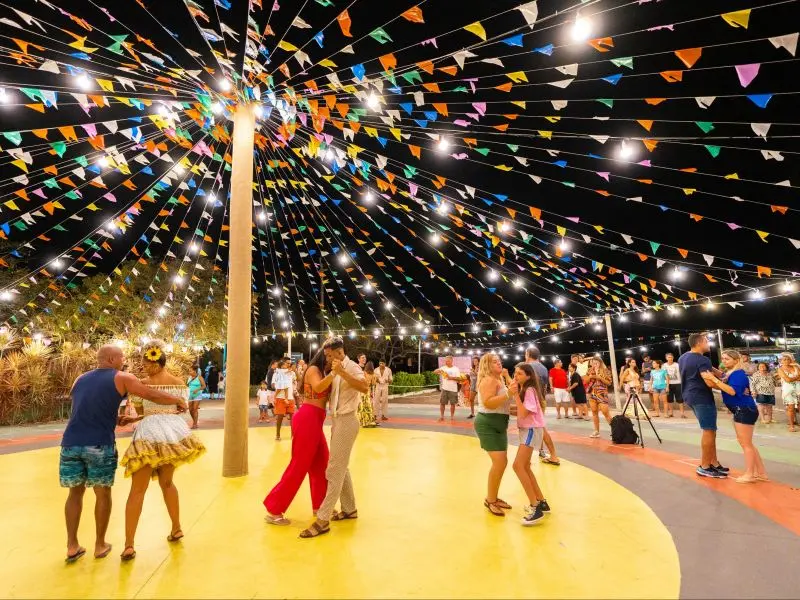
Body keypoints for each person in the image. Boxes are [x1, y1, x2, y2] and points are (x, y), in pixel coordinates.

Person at [59, 345, 185, 563]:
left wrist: (115, 419)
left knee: (75, 494)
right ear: (111, 359)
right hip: (99, 444)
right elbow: (151, 394)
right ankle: (100, 545)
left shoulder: (79, 378)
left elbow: (86, 405)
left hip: (71, 443)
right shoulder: (122, 377)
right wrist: (177, 400)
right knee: (103, 493)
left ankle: (73, 545)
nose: (124, 361)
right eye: (121, 358)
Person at [119, 341, 206, 560]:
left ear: (156, 362)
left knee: (138, 489)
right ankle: (176, 528)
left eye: (146, 364)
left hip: (149, 433)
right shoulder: (179, 384)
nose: (144, 368)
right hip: (171, 434)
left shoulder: (141, 384)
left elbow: (141, 410)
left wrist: (140, 415)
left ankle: (129, 544)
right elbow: (180, 409)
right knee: (168, 483)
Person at [300, 337, 368, 539]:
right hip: (337, 421)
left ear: (340, 352)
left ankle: (323, 519)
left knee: (333, 470)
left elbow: (364, 388)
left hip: (348, 420)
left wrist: (342, 372)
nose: (327, 358)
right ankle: (349, 509)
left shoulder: (352, 367)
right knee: (341, 466)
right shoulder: (334, 370)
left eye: (330, 355)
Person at [264, 349, 334, 525]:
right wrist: (336, 373)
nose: (337, 359)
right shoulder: (313, 370)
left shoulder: (324, 372)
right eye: (334, 355)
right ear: (325, 355)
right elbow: (318, 387)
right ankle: (273, 509)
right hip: (308, 418)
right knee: (299, 465)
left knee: (321, 464)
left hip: (316, 419)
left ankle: (320, 506)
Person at [679, 333, 728, 478]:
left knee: (711, 430)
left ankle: (714, 462)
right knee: (708, 430)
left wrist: (721, 374)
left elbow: (706, 368)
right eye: (706, 341)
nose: (709, 343)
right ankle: (705, 466)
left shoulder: (684, 357)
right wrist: (728, 387)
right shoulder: (703, 359)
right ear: (699, 343)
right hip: (701, 397)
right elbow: (709, 381)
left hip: (689, 395)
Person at [714, 350, 768, 483]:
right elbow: (721, 375)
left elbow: (733, 391)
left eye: (727, 359)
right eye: (723, 359)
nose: (724, 361)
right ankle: (761, 473)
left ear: (736, 360)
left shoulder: (738, 374)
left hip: (744, 409)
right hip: (741, 409)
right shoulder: (730, 373)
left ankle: (750, 474)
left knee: (746, 444)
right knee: (746, 443)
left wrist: (713, 380)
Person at [509, 362, 550, 525]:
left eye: (519, 374)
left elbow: (524, 412)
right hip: (529, 429)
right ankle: (541, 501)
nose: (516, 376)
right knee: (525, 466)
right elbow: (520, 410)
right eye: (515, 373)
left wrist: (515, 395)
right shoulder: (526, 389)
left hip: (531, 429)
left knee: (518, 466)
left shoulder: (530, 390)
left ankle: (535, 508)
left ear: (528, 376)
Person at [474, 353, 514, 517]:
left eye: (499, 361)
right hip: (488, 424)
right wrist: (508, 394)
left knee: (502, 462)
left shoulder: (499, 380)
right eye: (494, 361)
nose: (499, 363)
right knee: (499, 462)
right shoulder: (489, 380)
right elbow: (489, 403)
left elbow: (502, 405)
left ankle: (493, 497)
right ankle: (490, 500)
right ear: (487, 365)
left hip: (498, 423)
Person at [524, 348, 561, 466]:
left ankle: (526, 458)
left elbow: (522, 385)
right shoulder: (544, 368)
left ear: (528, 354)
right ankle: (543, 452)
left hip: (530, 401)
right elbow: (544, 387)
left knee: (529, 429)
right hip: (541, 400)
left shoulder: (526, 367)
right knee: (539, 427)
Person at [584, 357, 613, 438]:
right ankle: (596, 431)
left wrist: (600, 378)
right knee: (594, 412)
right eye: (593, 363)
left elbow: (609, 383)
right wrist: (589, 377)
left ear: (600, 362)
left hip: (602, 393)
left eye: (596, 362)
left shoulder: (605, 370)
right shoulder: (590, 370)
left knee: (605, 412)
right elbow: (585, 381)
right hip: (592, 393)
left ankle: (614, 431)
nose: (594, 364)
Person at [434, 355, 462, 422]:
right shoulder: (443, 368)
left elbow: (459, 378)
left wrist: (450, 377)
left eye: (448, 361)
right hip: (444, 388)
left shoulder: (456, 368)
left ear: (452, 361)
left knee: (453, 404)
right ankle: (442, 417)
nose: (446, 362)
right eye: (446, 361)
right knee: (442, 403)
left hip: (453, 389)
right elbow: (434, 371)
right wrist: (438, 370)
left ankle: (452, 417)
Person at [273, 358, 296, 441]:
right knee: (280, 417)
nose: (289, 365)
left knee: (293, 417)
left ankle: (293, 435)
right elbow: (273, 385)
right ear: (282, 364)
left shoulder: (292, 373)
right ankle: (277, 435)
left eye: (290, 363)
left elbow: (296, 382)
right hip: (280, 398)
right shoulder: (277, 373)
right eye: (287, 363)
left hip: (290, 397)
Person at [777, 352, 800, 432]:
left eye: (788, 359)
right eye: (784, 359)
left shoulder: (796, 367)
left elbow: (791, 379)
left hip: (798, 389)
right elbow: (787, 379)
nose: (786, 361)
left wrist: (791, 379)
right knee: (791, 408)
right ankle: (791, 425)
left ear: (791, 360)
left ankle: (797, 422)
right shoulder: (780, 369)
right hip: (787, 390)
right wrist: (796, 378)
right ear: (781, 361)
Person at [664, 353, 686, 418]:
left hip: (678, 383)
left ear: (673, 358)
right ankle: (671, 413)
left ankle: (682, 413)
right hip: (668, 384)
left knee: (680, 399)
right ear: (666, 358)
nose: (670, 358)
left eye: (671, 357)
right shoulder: (664, 365)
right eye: (668, 357)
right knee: (669, 399)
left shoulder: (677, 365)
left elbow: (682, 373)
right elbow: (663, 375)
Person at [358, 359, 378, 428]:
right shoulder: (374, 375)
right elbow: (373, 385)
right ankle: (369, 421)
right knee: (369, 407)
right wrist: (373, 394)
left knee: (362, 408)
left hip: (361, 392)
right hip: (368, 391)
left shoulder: (363, 373)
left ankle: (362, 422)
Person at [187, 364, 205, 429]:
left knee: (194, 409)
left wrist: (197, 389)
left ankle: (195, 424)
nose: (189, 372)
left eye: (190, 371)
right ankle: (195, 421)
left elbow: (204, 386)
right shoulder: (189, 377)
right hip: (190, 394)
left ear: (194, 371)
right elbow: (187, 385)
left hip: (197, 394)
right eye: (189, 371)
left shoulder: (200, 377)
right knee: (190, 410)